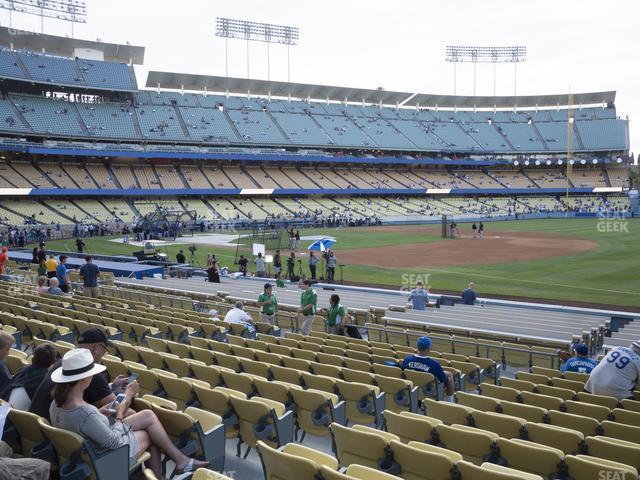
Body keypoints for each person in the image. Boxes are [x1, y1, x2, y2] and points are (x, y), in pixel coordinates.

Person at [49, 349, 208, 478]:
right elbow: (115, 443)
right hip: (107, 459)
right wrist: (119, 414)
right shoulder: (86, 413)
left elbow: (82, 422)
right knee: (149, 434)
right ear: (84, 379)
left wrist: (100, 412)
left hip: (88, 453)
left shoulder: (55, 404)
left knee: (147, 415)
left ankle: (181, 462)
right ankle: (165, 473)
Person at [30, 328, 128, 420]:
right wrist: (129, 393)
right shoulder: (89, 372)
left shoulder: (63, 362)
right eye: (104, 349)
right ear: (96, 348)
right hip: (60, 427)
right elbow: (117, 407)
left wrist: (112, 386)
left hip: (39, 426)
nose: (103, 354)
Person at [1, 343, 56, 409]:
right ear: (53, 362)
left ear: (32, 360)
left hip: (4, 408)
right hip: (18, 417)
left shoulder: (22, 371)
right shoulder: (48, 381)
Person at [402, 336, 454, 401]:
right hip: (428, 392)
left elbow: (403, 372)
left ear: (417, 347)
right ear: (429, 349)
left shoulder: (407, 359)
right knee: (449, 376)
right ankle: (450, 402)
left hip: (411, 389)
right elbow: (443, 380)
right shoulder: (434, 364)